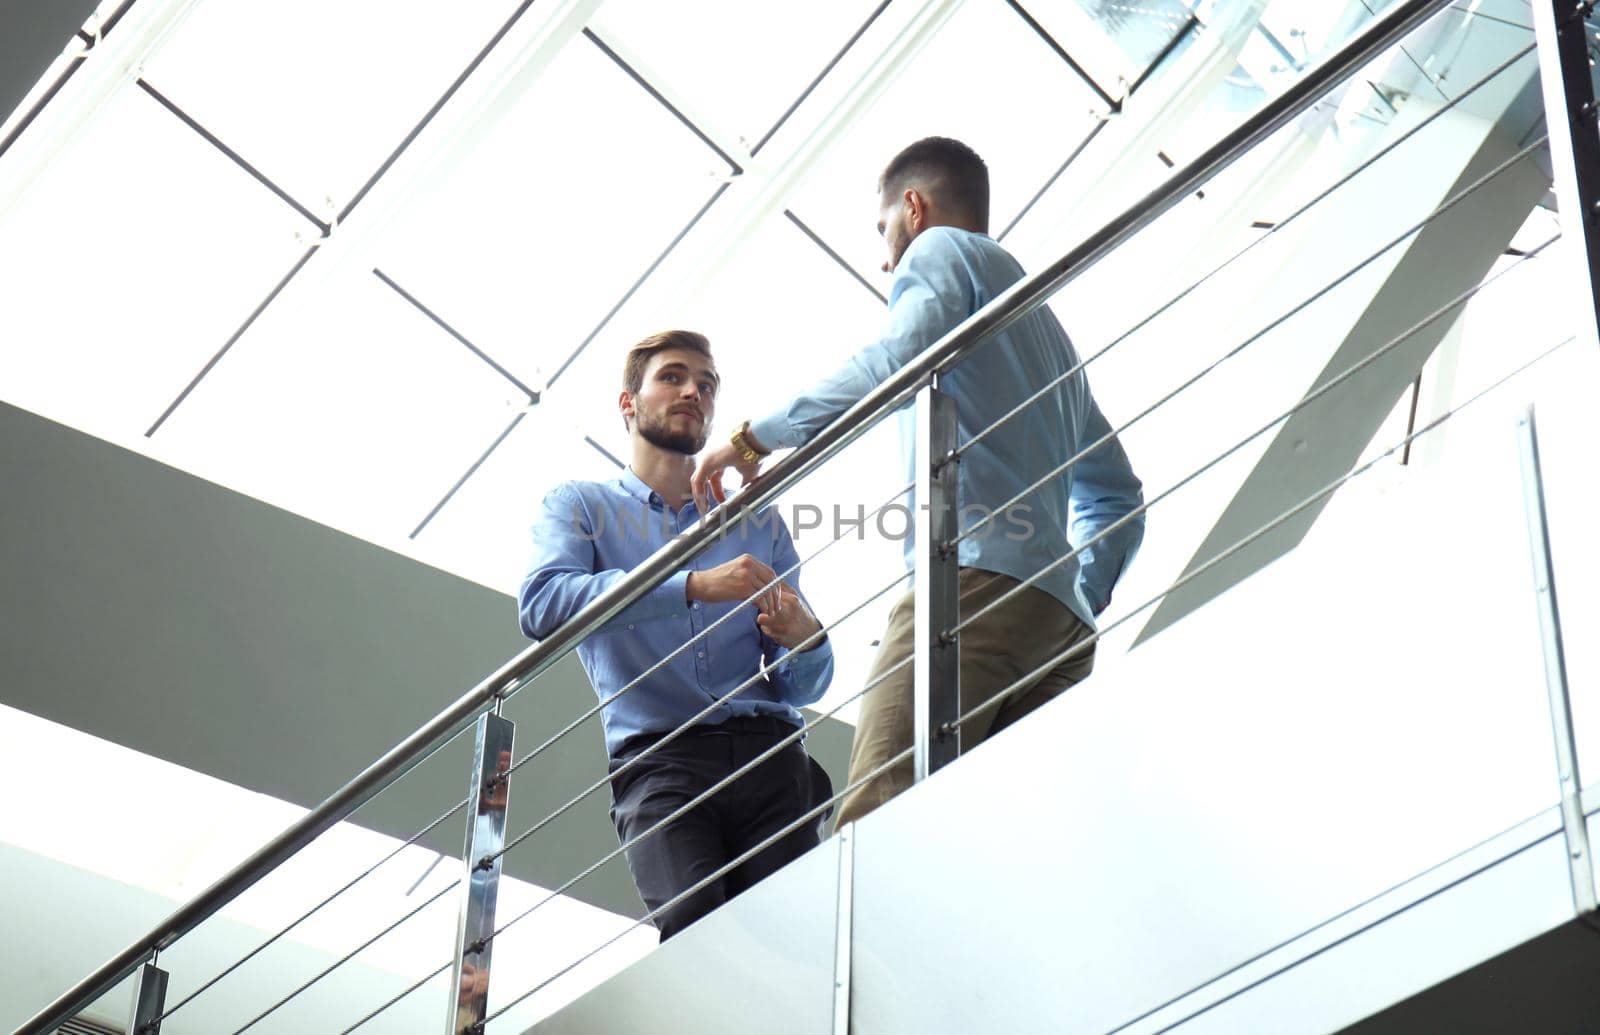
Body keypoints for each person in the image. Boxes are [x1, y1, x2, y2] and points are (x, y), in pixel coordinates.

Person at [691, 137, 1144, 827]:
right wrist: (1076, 589)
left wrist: (757, 437)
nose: (884, 256)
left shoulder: (941, 252)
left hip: (969, 586)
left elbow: (899, 358)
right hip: (1060, 628)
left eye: (883, 230)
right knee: (979, 842)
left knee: (874, 822)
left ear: (914, 206)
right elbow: (1120, 498)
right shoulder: (1050, 335)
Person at [519, 330, 835, 941]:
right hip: (662, 765)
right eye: (673, 376)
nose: (694, 390)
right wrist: (689, 584)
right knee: (694, 932)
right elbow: (542, 605)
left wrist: (807, 641)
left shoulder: (758, 522)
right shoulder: (579, 507)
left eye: (707, 384)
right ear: (628, 403)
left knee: (791, 943)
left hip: (772, 754)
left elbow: (805, 686)